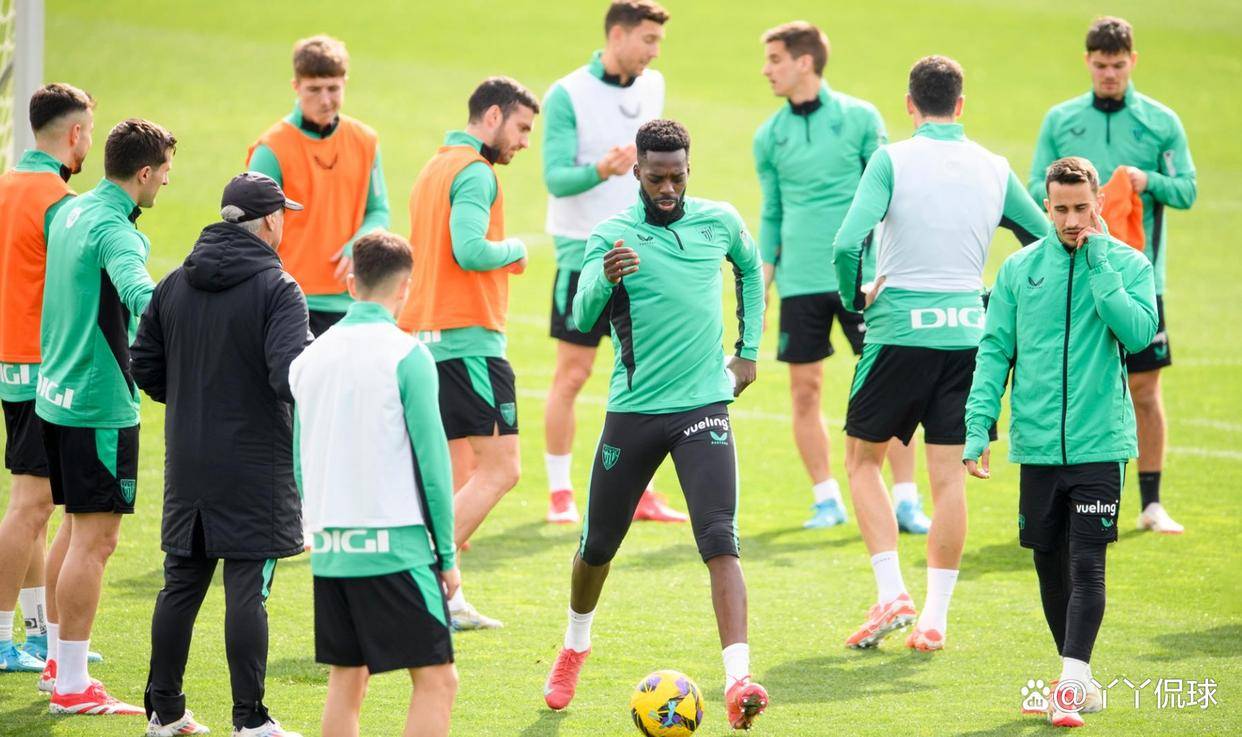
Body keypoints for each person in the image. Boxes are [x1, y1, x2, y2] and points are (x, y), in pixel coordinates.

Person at [542, 119, 770, 730]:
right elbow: (581, 314)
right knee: (597, 544)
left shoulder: (719, 221)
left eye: (677, 177)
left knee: (720, 538)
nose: (667, 189)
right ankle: (575, 645)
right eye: (655, 178)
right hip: (635, 411)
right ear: (637, 173)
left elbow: (751, 269)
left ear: (688, 170)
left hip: (702, 407)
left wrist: (748, 350)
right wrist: (606, 277)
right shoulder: (612, 234)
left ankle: (738, 680)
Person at [832, 56, 1046, 652]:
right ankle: (934, 619)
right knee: (950, 479)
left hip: (899, 334)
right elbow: (1041, 240)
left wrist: (854, 298)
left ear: (910, 104)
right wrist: (998, 301)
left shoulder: (891, 160)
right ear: (961, 103)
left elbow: (847, 243)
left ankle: (890, 592)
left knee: (863, 462)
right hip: (969, 338)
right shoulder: (995, 167)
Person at [964, 157, 1157, 728]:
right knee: (1049, 566)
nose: (1072, 220)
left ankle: (1069, 685)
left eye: (1081, 208)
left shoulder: (1128, 263)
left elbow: (1137, 334)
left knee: (1087, 564)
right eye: (1061, 209)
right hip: (1038, 447)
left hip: (1101, 445)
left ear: (1099, 203)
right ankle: (1079, 676)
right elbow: (994, 351)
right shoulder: (1019, 270)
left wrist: (1100, 266)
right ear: (1046, 207)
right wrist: (978, 427)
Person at [131, 172, 310, 737]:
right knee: (247, 592)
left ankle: (164, 711)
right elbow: (288, 377)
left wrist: (191, 399)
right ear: (269, 221)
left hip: (188, 461)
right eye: (283, 215)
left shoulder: (172, 284)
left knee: (180, 586)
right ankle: (249, 719)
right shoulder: (280, 288)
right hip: (255, 464)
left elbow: (144, 365)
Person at [753, 20, 930, 533]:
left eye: (775, 60)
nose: (766, 70)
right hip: (800, 282)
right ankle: (826, 499)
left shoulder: (859, 118)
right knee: (804, 391)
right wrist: (762, 285)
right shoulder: (769, 136)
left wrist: (889, 269)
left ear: (804, 61)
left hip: (865, 280)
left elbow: (890, 198)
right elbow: (772, 213)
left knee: (892, 387)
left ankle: (906, 500)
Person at [1029, 16, 1195, 534]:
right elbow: (1035, 186)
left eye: (1118, 65)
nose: (1109, 74)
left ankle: (1151, 503)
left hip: (1140, 279)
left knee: (1144, 389)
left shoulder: (1160, 122)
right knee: (1077, 385)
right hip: (1072, 280)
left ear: (1133, 62)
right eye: (1101, 65)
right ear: (1087, 62)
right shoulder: (1061, 120)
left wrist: (1149, 181)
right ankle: (1077, 501)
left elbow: (1187, 189)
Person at [291, 231, 459, 737]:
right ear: (406, 286)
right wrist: (447, 555)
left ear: (351, 282)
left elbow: (301, 459)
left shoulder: (308, 358)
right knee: (437, 680)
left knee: (347, 680)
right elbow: (434, 464)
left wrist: (316, 527)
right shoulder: (408, 356)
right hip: (395, 548)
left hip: (332, 549)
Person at [37, 118, 175, 714]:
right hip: (99, 404)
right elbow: (142, 296)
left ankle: (55, 661)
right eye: (164, 173)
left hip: (56, 394)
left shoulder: (69, 210)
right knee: (96, 540)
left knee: (73, 527)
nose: (165, 183)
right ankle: (72, 684)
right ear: (144, 173)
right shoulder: (117, 231)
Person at [397, 76, 538, 630]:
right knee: (502, 469)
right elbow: (471, 250)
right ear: (493, 115)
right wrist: (518, 248)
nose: (523, 142)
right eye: (521, 128)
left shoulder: (435, 166)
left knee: (456, 477)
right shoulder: (476, 172)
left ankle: (447, 599)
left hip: (425, 340)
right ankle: (415, 575)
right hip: (467, 341)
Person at [542, 0, 686, 526]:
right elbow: (555, 178)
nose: (655, 52)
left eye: (658, 42)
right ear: (618, 35)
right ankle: (559, 492)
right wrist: (601, 169)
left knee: (645, 375)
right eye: (648, 40)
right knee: (573, 374)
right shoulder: (567, 94)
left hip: (641, 256)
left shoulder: (653, 86)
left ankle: (643, 493)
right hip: (583, 254)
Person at [0, 83, 94, 676]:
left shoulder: (6, 186)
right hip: (42, 368)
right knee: (31, 505)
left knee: (35, 505)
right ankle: (2, 637)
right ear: (75, 133)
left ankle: (37, 632)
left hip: (11, 364)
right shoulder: (59, 201)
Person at [247, 34, 390, 337]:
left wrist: (358, 244)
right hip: (287, 300)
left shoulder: (366, 141)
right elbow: (251, 232)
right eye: (314, 89)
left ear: (345, 83)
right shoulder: (270, 150)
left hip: (351, 303)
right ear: (296, 86)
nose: (326, 100)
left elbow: (379, 212)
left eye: (333, 88)